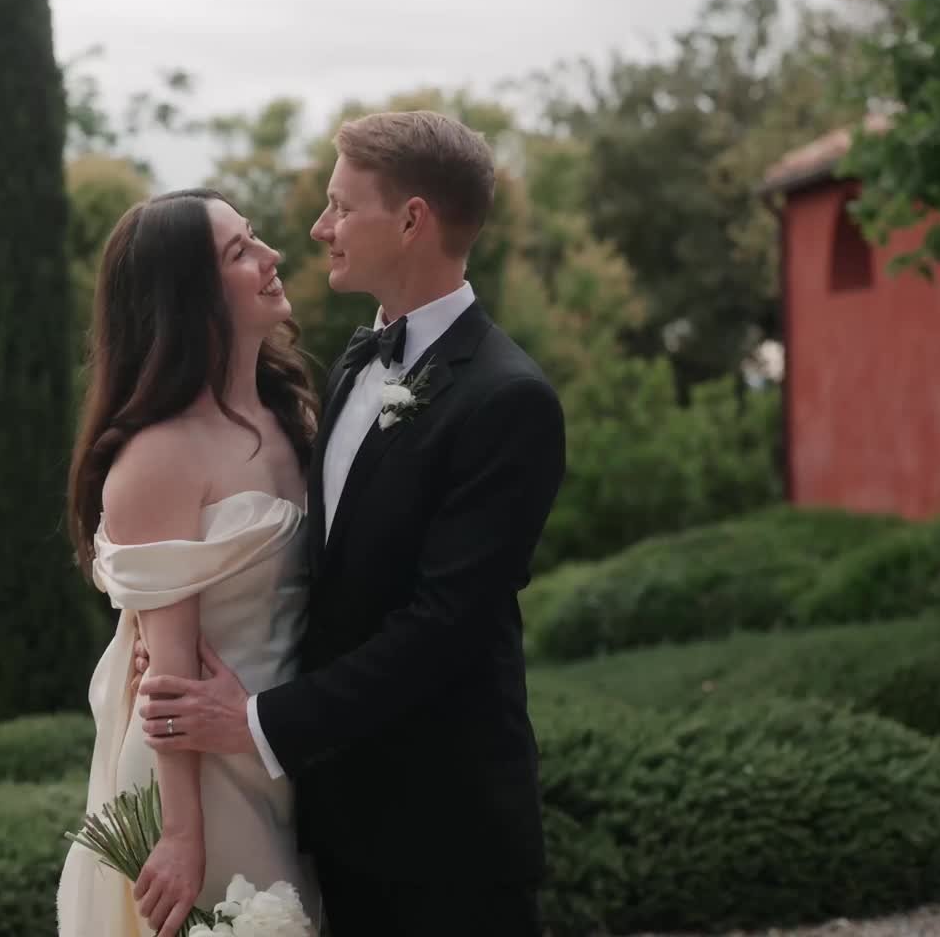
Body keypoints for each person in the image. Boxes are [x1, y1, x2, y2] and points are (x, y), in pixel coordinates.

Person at [135, 111, 567, 936]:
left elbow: (444, 627)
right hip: (329, 818)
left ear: (411, 220)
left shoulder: (509, 401)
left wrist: (257, 723)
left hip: (446, 830)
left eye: (340, 206)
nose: (317, 227)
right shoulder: (350, 363)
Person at [56, 188, 325, 937]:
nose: (271, 258)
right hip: (200, 777)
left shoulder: (293, 415)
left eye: (255, 238)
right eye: (240, 252)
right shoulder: (157, 457)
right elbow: (168, 678)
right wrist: (181, 836)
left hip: (281, 745)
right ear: (188, 297)